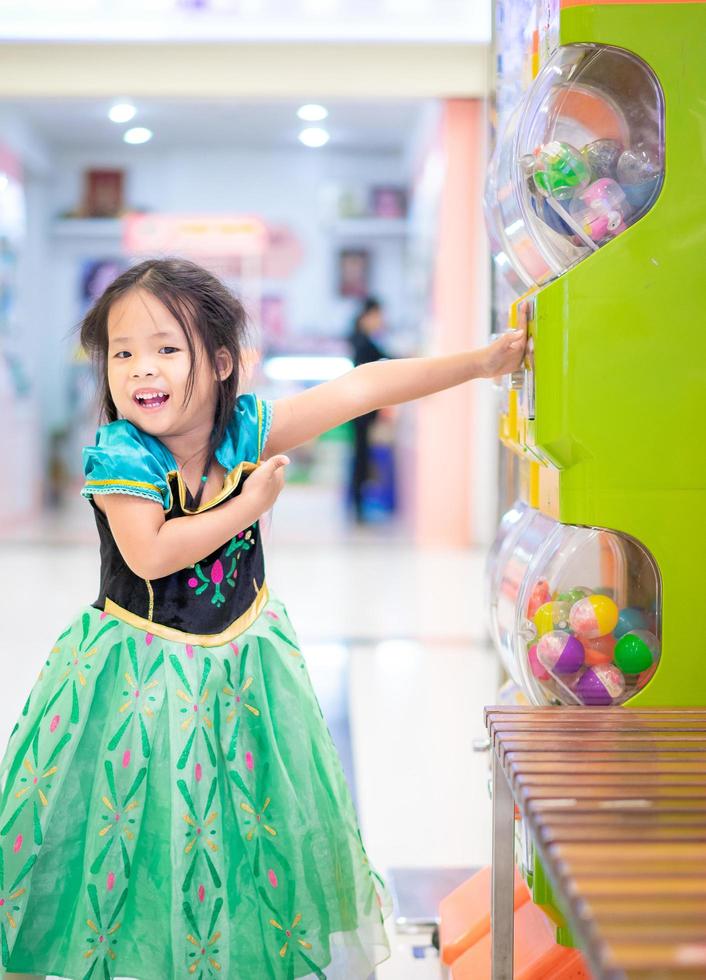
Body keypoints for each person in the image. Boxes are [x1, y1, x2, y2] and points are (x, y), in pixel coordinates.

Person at [0, 258, 525, 980]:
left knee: (242, 828)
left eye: (164, 348)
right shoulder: (121, 452)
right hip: (139, 683)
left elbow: (360, 387)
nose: (140, 370)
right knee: (151, 827)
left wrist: (481, 362)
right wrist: (247, 506)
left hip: (245, 666)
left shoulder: (246, 432)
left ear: (219, 363)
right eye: (122, 353)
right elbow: (149, 555)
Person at [348, 297, 388, 522]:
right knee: (361, 457)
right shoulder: (364, 342)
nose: (381, 322)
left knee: (360, 456)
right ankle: (359, 509)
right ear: (369, 315)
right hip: (361, 411)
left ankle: (358, 506)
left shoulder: (359, 339)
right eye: (378, 317)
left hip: (359, 411)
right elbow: (387, 360)